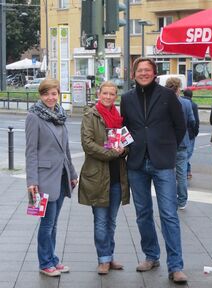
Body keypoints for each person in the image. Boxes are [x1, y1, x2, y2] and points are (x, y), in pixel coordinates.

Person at [120, 57, 188, 284]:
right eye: (139, 70)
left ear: (154, 73)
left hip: (162, 162)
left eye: (147, 70)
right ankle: (151, 256)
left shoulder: (168, 96)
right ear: (133, 74)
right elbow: (123, 128)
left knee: (169, 214)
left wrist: (167, 148)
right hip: (137, 163)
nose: (143, 73)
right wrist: (130, 148)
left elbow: (181, 126)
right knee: (143, 214)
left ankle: (176, 266)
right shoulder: (127, 98)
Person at [25, 78, 78, 277]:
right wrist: (32, 182)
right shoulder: (34, 117)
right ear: (41, 95)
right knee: (47, 224)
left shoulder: (60, 115)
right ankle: (45, 262)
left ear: (59, 94)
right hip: (44, 178)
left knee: (54, 223)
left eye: (54, 93)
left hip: (62, 176)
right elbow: (31, 152)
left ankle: (52, 259)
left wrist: (72, 173)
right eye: (46, 94)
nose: (50, 97)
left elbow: (65, 149)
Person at [78, 81, 130, 275]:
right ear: (99, 94)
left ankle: (109, 255)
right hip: (98, 176)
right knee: (100, 220)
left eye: (112, 94)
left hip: (117, 176)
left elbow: (126, 141)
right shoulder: (91, 115)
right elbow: (87, 144)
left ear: (115, 96)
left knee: (111, 221)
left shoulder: (118, 117)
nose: (108, 97)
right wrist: (111, 154)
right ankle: (103, 259)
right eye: (105, 93)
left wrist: (124, 149)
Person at [165, 77, 195, 210]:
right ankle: (182, 200)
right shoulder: (186, 103)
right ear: (178, 89)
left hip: (166, 143)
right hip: (182, 142)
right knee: (182, 173)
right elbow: (192, 122)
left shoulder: (162, 102)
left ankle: (169, 199)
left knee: (167, 173)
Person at [182, 89, 200, 179]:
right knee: (188, 153)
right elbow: (195, 120)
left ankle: (188, 170)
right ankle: (185, 171)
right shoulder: (193, 105)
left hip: (181, 132)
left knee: (183, 153)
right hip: (190, 133)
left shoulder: (179, 102)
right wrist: (196, 131)